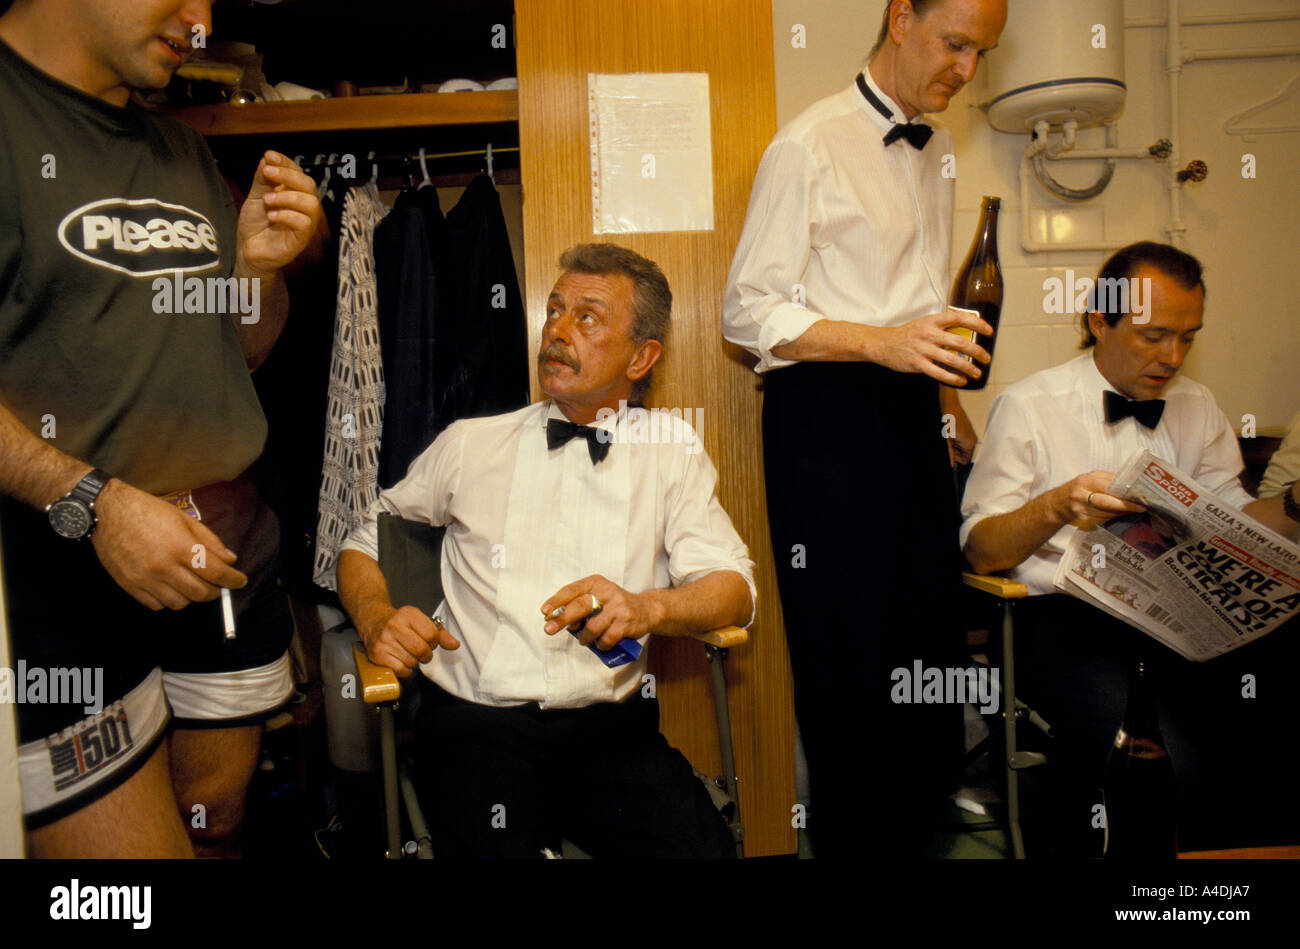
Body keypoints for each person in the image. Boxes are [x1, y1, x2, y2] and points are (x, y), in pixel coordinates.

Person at [0, 0, 320, 857]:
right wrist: (94, 504)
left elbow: (241, 346)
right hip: (60, 572)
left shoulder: (180, 148)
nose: (202, 20)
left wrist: (254, 269)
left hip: (221, 559)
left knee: (216, 812)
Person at [337, 244, 755, 858]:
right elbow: (362, 538)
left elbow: (735, 588)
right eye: (555, 310)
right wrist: (374, 618)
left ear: (642, 357)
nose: (557, 329)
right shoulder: (469, 445)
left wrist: (648, 609)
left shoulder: (673, 450)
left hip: (612, 734)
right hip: (477, 732)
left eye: (587, 317)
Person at [722, 0, 1006, 855]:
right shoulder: (806, 144)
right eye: (955, 44)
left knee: (929, 630)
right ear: (900, 17)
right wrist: (883, 344)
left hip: (914, 414)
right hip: (828, 418)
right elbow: (747, 312)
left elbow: (920, 303)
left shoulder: (942, 150)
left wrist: (950, 407)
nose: (965, 69)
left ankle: (922, 830)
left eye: (981, 54)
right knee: (848, 655)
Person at [962, 241, 1300, 854]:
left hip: (1182, 617)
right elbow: (981, 549)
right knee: (1159, 744)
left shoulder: (1196, 405)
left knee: (1269, 711)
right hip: (1063, 620)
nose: (1172, 357)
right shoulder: (1031, 405)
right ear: (1099, 320)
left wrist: (1295, 505)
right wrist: (1056, 506)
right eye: (1153, 336)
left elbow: (1233, 520)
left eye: (1188, 338)